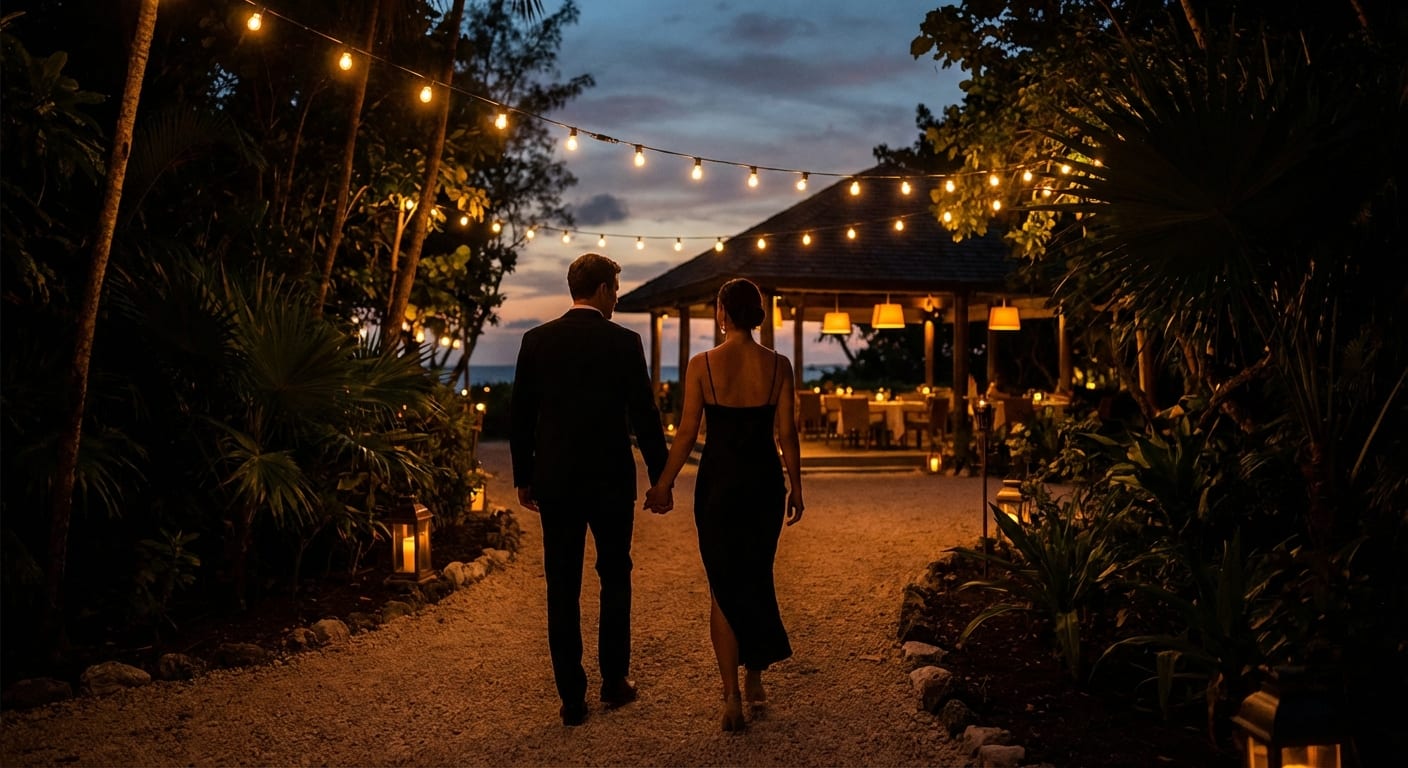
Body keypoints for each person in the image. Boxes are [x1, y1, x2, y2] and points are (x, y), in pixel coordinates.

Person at [509, 252, 670, 727]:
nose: (617, 299)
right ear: (602, 290)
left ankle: (571, 698)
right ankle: (614, 681)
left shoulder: (536, 341)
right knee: (614, 575)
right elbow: (645, 416)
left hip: (556, 479)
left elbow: (521, 416)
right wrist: (661, 478)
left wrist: (523, 476)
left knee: (562, 586)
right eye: (616, 291)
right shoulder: (623, 342)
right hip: (609, 479)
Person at [643, 278, 804, 732]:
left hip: (719, 486)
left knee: (722, 587)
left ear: (722, 313)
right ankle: (755, 675)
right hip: (764, 484)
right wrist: (797, 486)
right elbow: (786, 434)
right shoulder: (779, 366)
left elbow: (688, 433)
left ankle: (731, 695)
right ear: (754, 314)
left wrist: (663, 485)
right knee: (754, 576)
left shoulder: (702, 365)